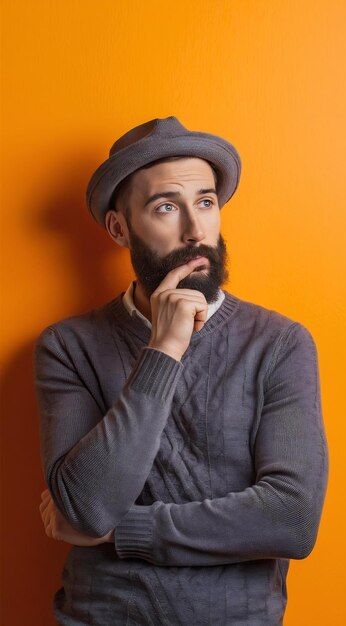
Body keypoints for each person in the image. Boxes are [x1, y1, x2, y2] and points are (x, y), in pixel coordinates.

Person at [35, 116, 328, 626]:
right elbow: (84, 508)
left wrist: (119, 532)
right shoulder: (68, 346)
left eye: (206, 202)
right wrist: (164, 350)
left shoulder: (279, 343)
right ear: (119, 228)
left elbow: (291, 519)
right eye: (166, 206)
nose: (196, 231)